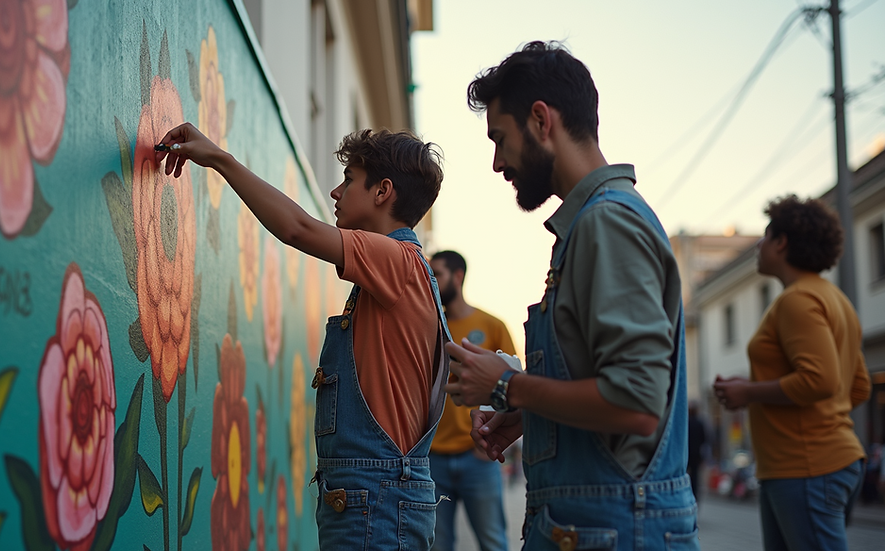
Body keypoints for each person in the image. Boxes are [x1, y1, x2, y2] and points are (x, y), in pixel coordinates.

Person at [444, 41, 698, 550]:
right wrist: (534, 415)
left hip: (613, 529)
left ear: (541, 120)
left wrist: (511, 386)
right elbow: (607, 389)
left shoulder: (606, 223)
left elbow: (636, 402)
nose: (496, 162)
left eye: (500, 138)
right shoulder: (590, 224)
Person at [155, 124, 452, 549]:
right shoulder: (396, 272)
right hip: (375, 495)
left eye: (349, 180)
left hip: (378, 498)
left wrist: (220, 159)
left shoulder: (397, 261)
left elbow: (297, 229)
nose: (335, 192)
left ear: (382, 191)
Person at [713, 195, 870, 551]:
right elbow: (856, 388)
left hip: (805, 468)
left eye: (766, 235)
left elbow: (821, 381)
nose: (759, 243)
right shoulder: (836, 300)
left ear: (781, 242)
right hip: (815, 465)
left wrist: (749, 392)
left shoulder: (796, 301)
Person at [428, 250, 515, 551]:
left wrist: (485, 449)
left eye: (436, 274)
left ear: (458, 276)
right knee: (437, 546)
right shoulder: (428, 329)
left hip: (477, 456)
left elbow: (512, 384)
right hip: (432, 460)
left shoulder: (493, 326)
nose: (431, 281)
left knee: (493, 543)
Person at [687, 401, 707, 502]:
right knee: (695, 476)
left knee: (685, 475)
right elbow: (704, 439)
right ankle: (694, 496)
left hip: (686, 454)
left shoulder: (686, 423)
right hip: (696, 454)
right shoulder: (699, 423)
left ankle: (687, 494)